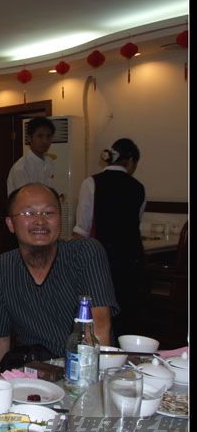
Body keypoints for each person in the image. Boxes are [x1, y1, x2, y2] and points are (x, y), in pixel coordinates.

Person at [0, 183, 119, 378]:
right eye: (28, 213)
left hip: (86, 373)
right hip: (37, 374)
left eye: (49, 213)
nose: (40, 221)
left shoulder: (86, 253)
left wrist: (87, 386)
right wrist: (0, 388)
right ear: (10, 224)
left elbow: (99, 327)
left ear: (60, 219)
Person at [73, 138, 146, 339]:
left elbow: (82, 228)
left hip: (101, 257)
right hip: (131, 259)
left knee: (101, 312)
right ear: (130, 161)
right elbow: (136, 222)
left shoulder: (91, 183)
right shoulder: (138, 188)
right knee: (127, 315)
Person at [6, 117, 62, 199]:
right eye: (40, 136)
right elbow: (24, 200)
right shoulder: (21, 168)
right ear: (29, 138)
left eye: (48, 136)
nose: (45, 141)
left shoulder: (50, 162)